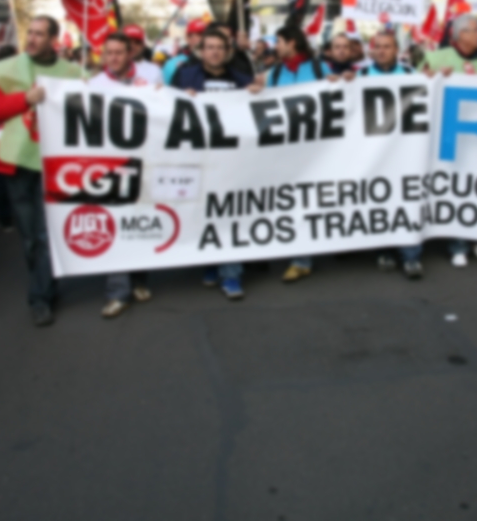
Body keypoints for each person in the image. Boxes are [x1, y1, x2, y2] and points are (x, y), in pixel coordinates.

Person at [0, 16, 84, 327]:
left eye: (40, 34)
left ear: (54, 40)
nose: (32, 38)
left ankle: (40, 298)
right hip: (17, 161)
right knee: (29, 237)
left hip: (53, 163)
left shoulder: (73, 73)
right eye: (30, 33)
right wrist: (24, 99)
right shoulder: (4, 69)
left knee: (42, 233)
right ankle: (45, 280)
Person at [172, 27, 257, 297]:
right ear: (201, 51)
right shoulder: (185, 76)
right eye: (209, 47)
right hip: (199, 157)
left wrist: (258, 93)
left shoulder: (243, 80)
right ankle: (211, 263)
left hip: (232, 159)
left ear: (228, 51)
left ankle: (231, 274)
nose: (215, 52)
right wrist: (178, 97)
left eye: (220, 47)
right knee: (203, 213)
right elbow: (165, 107)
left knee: (229, 213)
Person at [422, 15, 477, 267]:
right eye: (475, 30)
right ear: (460, 35)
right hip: (450, 138)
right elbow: (416, 86)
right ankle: (458, 245)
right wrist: (432, 75)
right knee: (458, 190)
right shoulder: (437, 58)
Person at [342, 31, 423, 279]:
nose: (382, 51)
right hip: (375, 153)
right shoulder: (361, 76)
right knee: (379, 201)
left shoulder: (411, 74)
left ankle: (411, 256)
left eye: (387, 46)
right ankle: (384, 251)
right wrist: (340, 82)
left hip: (406, 152)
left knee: (407, 202)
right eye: (378, 46)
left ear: (396, 49)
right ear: (371, 50)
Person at [91, 33, 156, 316]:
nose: (114, 58)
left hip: (144, 163)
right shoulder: (94, 84)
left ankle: (139, 280)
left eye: (119, 52)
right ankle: (118, 292)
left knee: (138, 224)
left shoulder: (149, 79)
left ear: (130, 54)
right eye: (109, 53)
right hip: (109, 167)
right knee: (115, 225)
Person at [265, 25, 331, 281]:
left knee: (309, 200)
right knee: (291, 201)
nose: (275, 46)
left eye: (279, 41)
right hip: (285, 148)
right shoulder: (275, 72)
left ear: (292, 43)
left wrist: (342, 82)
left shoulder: (319, 68)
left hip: (315, 148)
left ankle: (303, 258)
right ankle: (299, 254)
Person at [0, 44, 18, 232]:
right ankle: (6, 217)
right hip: (1, 136)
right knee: (3, 180)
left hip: (10, 137)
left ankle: (7, 217)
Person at [162, 18, 207, 86]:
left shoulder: (215, 62)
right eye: (199, 34)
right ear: (188, 38)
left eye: (205, 35)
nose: (203, 38)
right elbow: (167, 89)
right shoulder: (172, 63)